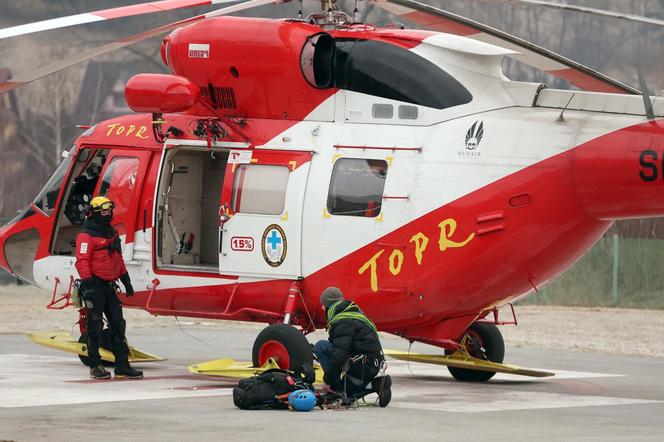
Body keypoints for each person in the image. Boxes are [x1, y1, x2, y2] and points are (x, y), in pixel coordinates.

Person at [75, 196, 143, 380]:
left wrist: (126, 280)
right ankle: (95, 365)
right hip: (94, 286)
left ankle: (122, 366)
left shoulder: (111, 233)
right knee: (95, 327)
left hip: (110, 286)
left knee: (118, 325)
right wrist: (88, 283)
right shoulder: (85, 236)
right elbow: (82, 262)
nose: (108, 214)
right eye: (104, 211)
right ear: (95, 212)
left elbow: (118, 259)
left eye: (109, 211)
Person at [314, 287, 391, 402]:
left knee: (320, 347)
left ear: (329, 304)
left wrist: (328, 381)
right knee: (346, 391)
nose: (322, 307)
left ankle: (375, 384)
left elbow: (339, 355)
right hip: (370, 364)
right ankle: (375, 384)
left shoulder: (343, 321)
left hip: (362, 366)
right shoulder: (354, 315)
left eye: (323, 304)